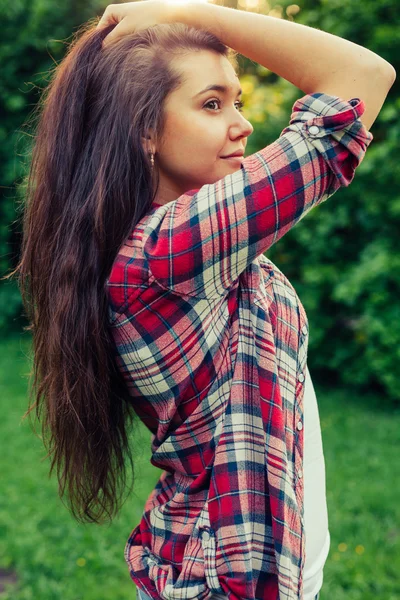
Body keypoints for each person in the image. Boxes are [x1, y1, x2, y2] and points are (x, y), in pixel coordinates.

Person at [10, 1, 395, 599]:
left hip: (238, 570)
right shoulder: (170, 248)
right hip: (224, 581)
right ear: (145, 131)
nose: (241, 123)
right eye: (212, 104)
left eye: (237, 101)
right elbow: (362, 78)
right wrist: (189, 10)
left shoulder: (177, 242)